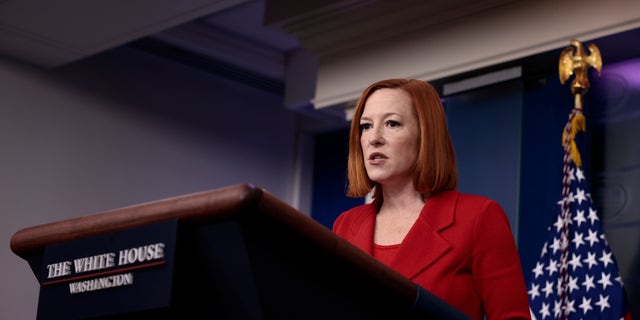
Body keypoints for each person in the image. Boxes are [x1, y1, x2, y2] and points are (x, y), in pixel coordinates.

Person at [332, 78, 531, 320]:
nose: (374, 138)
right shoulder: (345, 225)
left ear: (425, 135)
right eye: (365, 126)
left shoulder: (479, 217)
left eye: (392, 123)